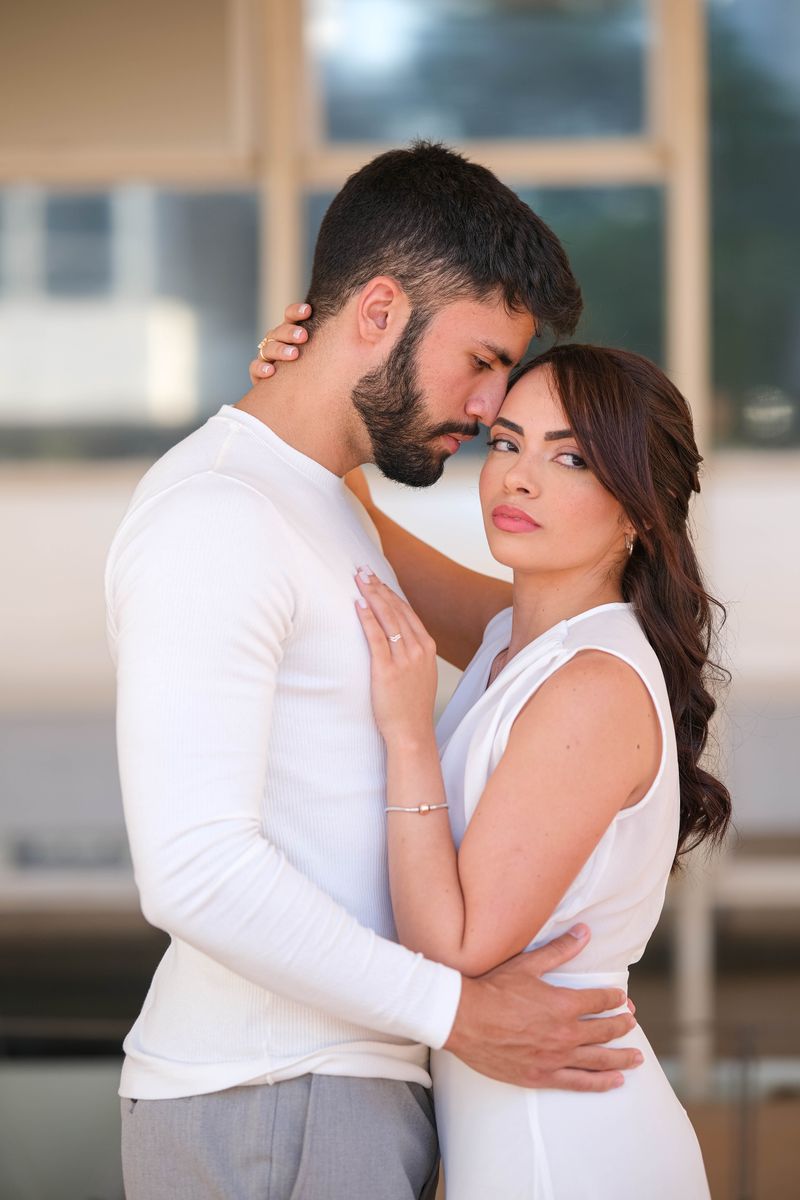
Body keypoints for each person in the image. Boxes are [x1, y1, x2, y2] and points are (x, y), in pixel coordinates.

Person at [107, 142, 641, 1200]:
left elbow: (537, 638)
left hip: (327, 1091)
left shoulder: (314, 502)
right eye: (480, 360)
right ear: (381, 310)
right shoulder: (216, 516)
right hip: (272, 1096)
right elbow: (195, 870)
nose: (489, 409)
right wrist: (457, 1012)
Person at [258, 322, 731, 1197]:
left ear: (640, 508)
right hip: (520, 1130)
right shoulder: (516, 635)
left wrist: (408, 734)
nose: (518, 476)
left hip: (567, 1146)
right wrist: (311, 387)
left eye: (571, 458)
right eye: (507, 443)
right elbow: (374, 544)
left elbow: (458, 946)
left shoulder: (591, 685)